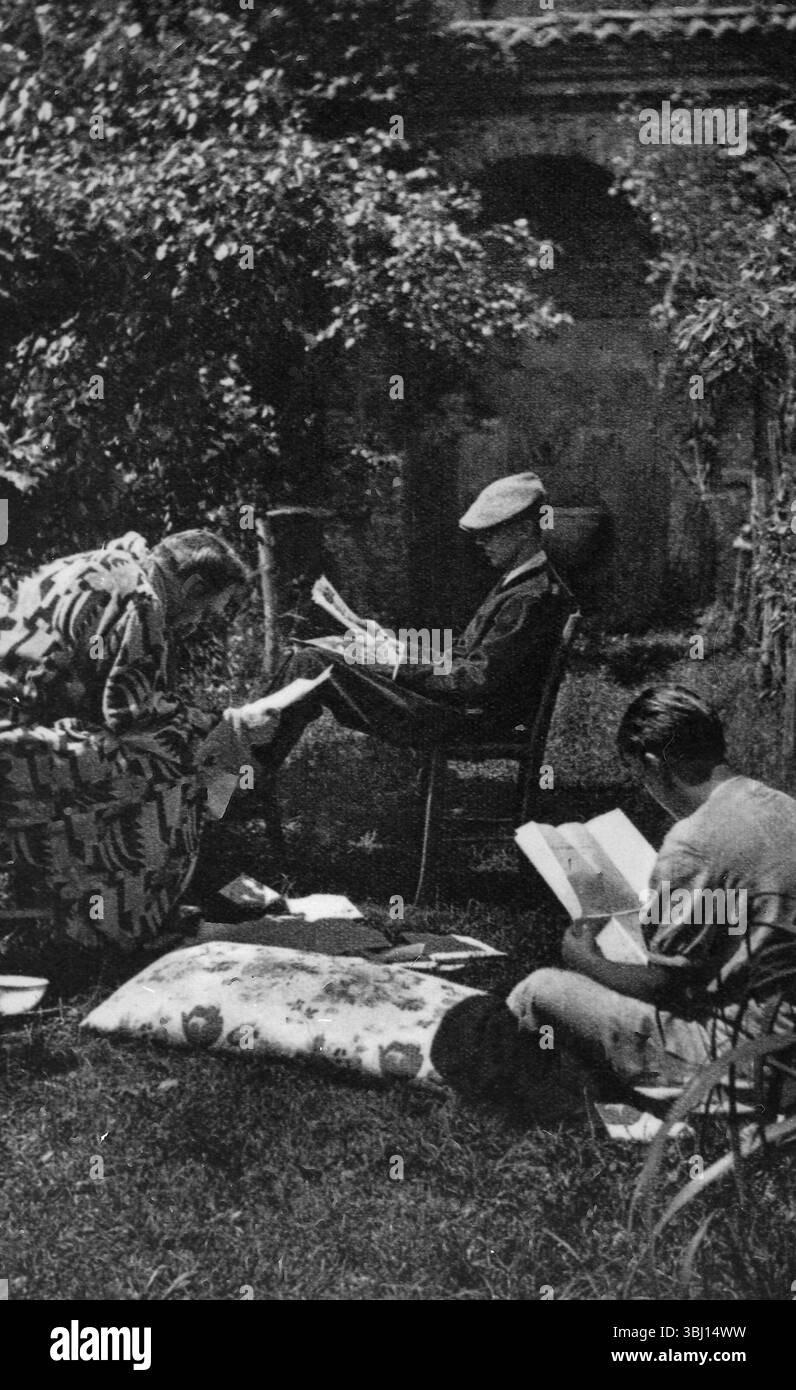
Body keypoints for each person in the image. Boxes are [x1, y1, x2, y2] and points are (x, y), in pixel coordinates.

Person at [430, 685, 796, 1105]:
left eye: (640, 776)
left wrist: (583, 958)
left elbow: (664, 990)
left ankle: (483, 1088)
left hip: (744, 1057)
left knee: (540, 990)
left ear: (653, 763)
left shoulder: (694, 842)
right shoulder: (782, 807)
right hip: (782, 1037)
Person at [0, 529, 278, 970]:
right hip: (14, 750)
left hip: (21, 735)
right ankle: (113, 929)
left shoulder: (102, 563)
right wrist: (228, 727)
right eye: (207, 611)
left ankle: (97, 907)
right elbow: (132, 715)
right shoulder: (143, 600)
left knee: (165, 755)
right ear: (193, 587)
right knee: (177, 764)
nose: (198, 624)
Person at [254, 471, 573, 779]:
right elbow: (466, 657)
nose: (481, 542)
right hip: (465, 712)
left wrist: (396, 666)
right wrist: (396, 646)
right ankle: (240, 773)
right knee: (317, 658)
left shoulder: (530, 597)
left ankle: (237, 780)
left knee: (312, 665)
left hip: (469, 721)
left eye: (490, 533)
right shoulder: (521, 583)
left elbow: (475, 680)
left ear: (523, 530)